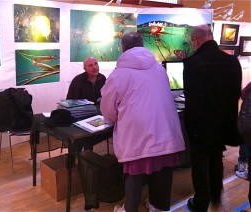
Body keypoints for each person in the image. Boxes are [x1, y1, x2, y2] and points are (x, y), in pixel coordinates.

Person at [100, 31, 185, 212]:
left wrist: (114, 119)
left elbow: (108, 110)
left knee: (134, 173)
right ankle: (158, 207)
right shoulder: (159, 69)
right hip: (165, 130)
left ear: (122, 48)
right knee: (163, 171)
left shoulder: (118, 75)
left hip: (136, 133)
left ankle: (130, 209)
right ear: (143, 46)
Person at [182, 25, 243, 211]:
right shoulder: (232, 61)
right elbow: (235, 94)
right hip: (225, 122)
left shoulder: (193, 63)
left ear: (195, 41)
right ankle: (216, 195)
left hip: (202, 126)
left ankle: (201, 202)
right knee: (216, 157)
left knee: (200, 164)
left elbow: (194, 102)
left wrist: (189, 127)